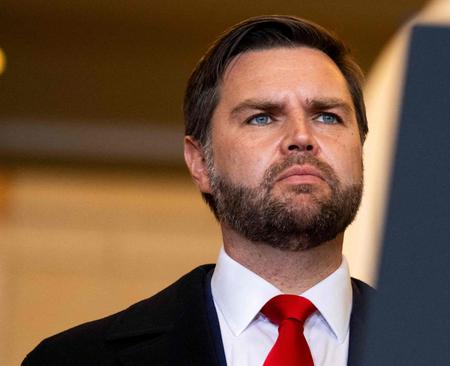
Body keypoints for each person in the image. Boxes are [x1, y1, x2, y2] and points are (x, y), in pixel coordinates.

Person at [23, 15, 374, 366]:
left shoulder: (428, 345)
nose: (301, 137)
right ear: (200, 163)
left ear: (360, 149)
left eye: (327, 116)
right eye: (262, 117)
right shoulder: (72, 360)